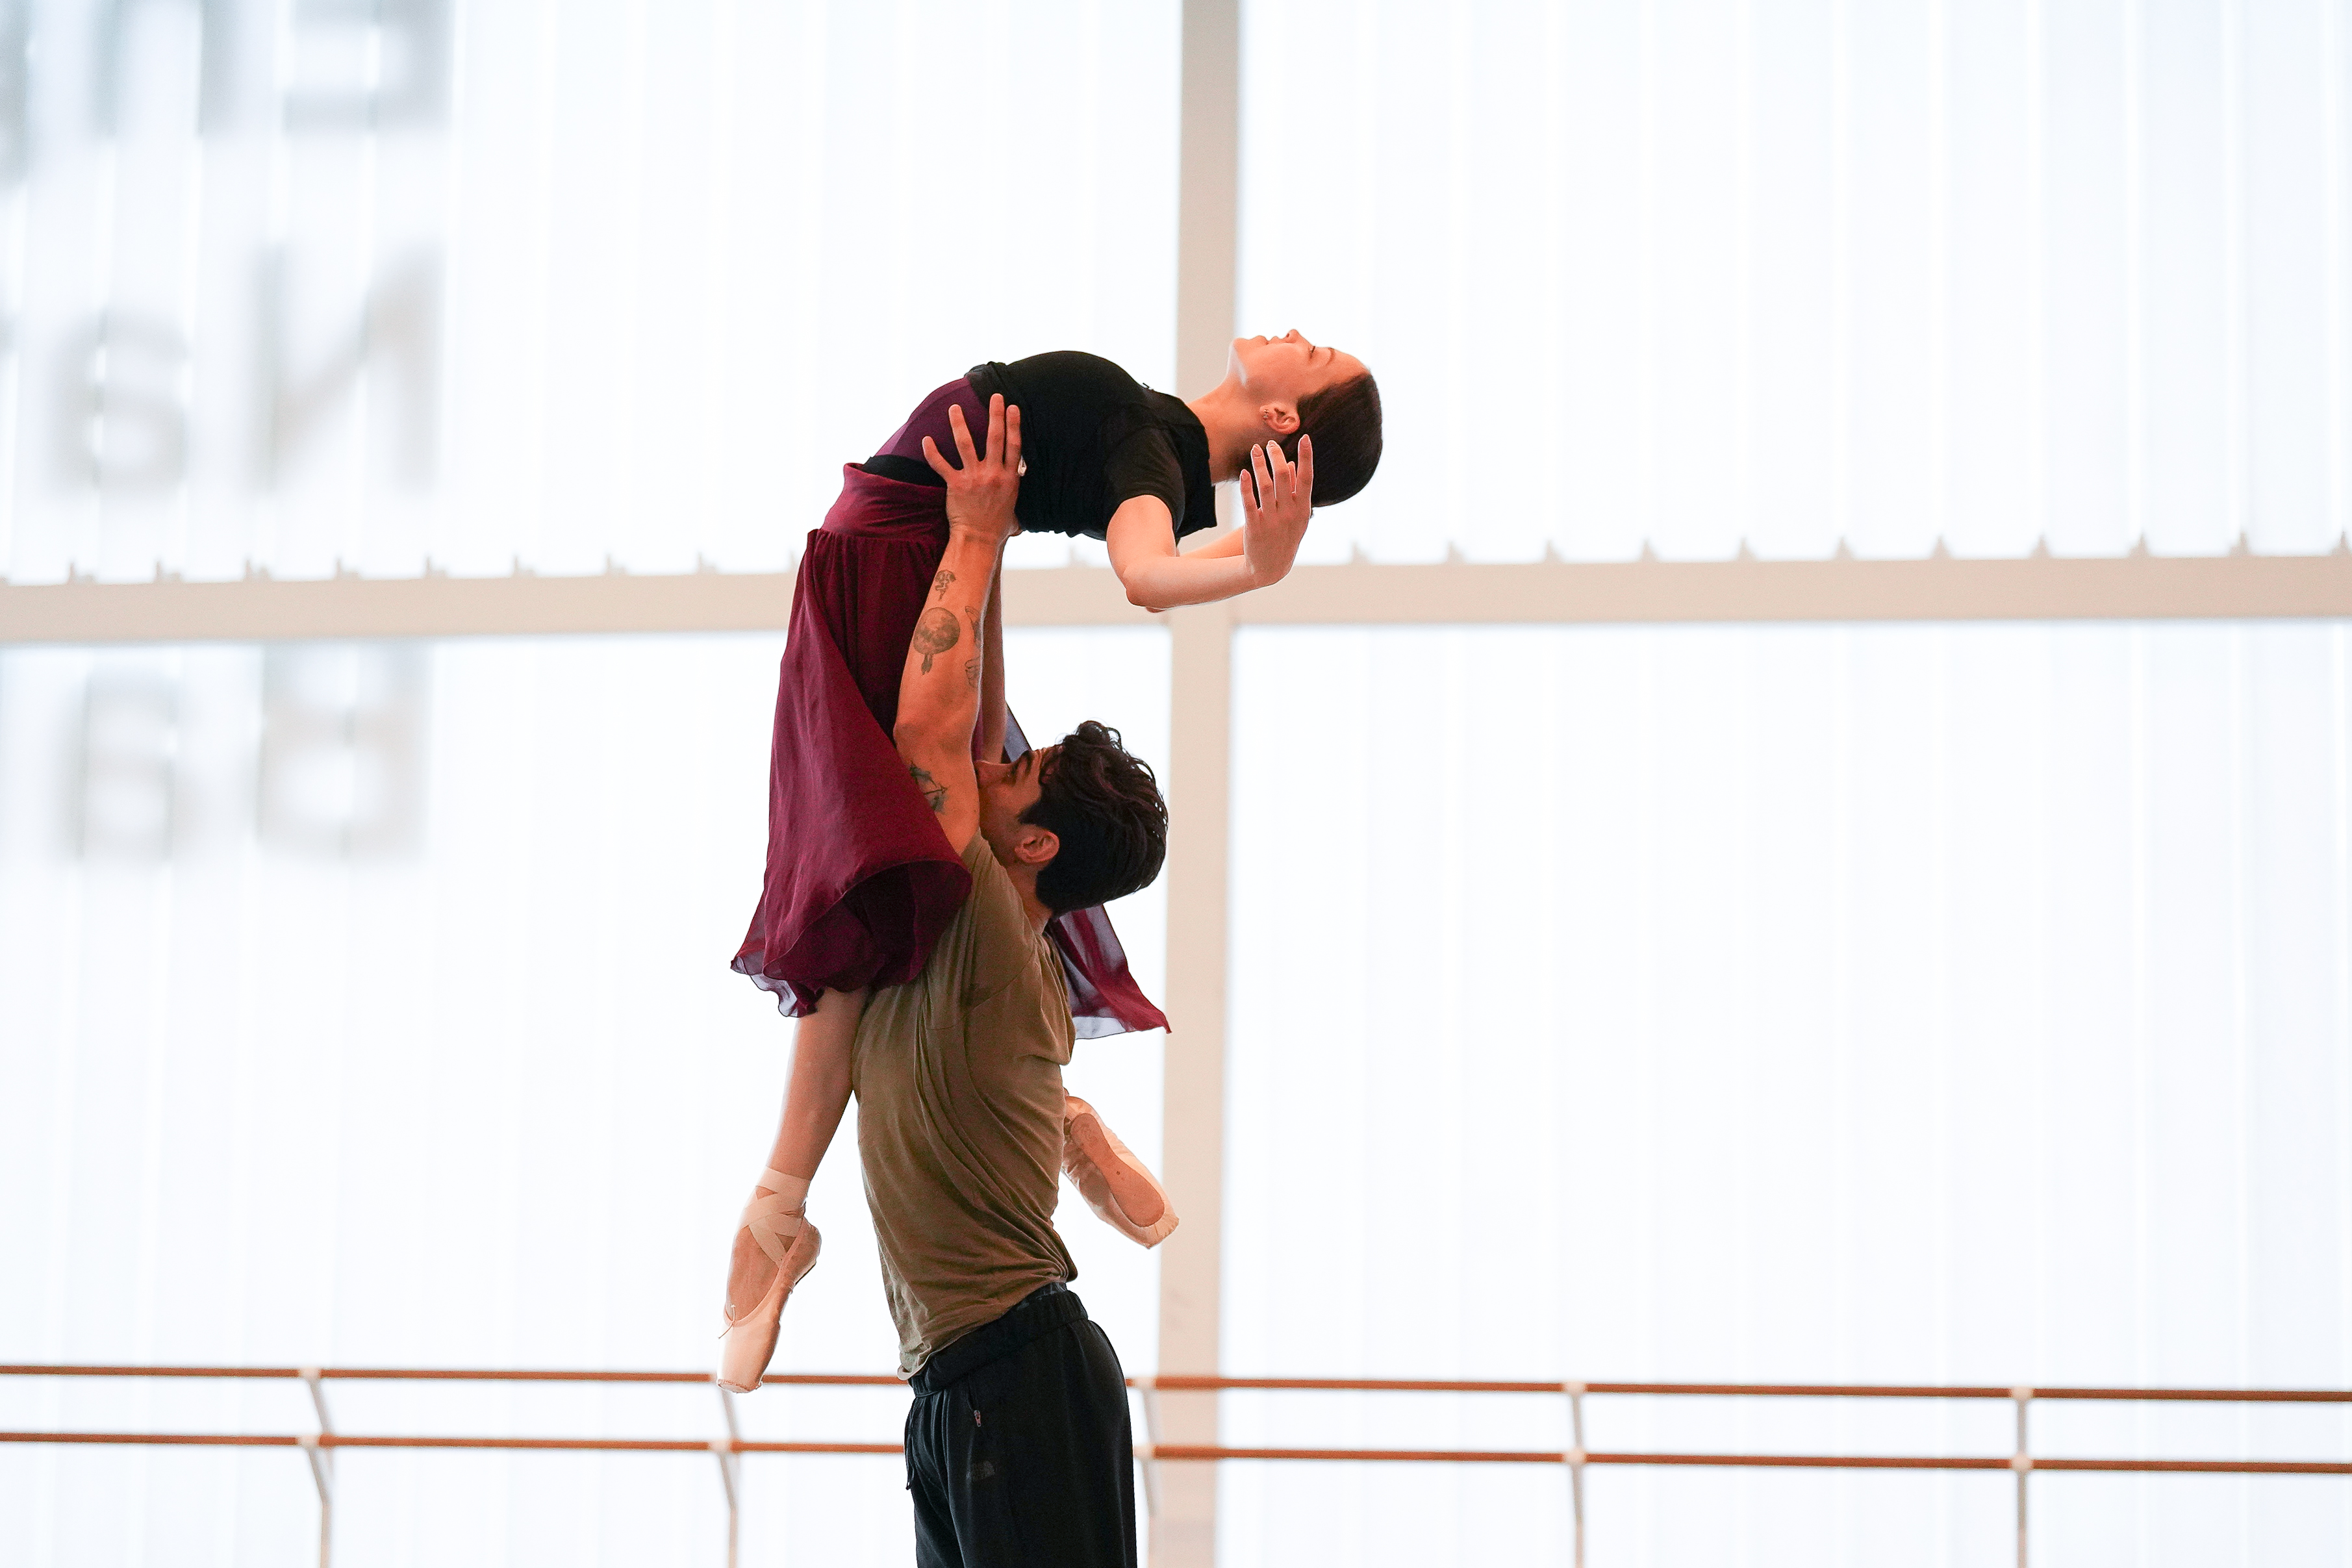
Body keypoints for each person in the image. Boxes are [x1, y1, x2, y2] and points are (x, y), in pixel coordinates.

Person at [722, 336, 1384, 1387]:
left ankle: (778, 1210)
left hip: (896, 552)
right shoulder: (1157, 442)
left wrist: (1261, 565)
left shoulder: (1150, 454)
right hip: (913, 553)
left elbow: (1144, 577)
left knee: (855, 898)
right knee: (893, 869)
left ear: (1281, 422)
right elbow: (1152, 562)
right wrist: (989, 556)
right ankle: (1043, 1115)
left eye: (1314, 356)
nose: (1296, 336)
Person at [857, 419, 1158, 1563]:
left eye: (1017, 775)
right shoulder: (1001, 916)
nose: (998, 757)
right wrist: (990, 547)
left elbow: (933, 726)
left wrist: (978, 530)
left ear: (1031, 846)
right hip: (962, 1381)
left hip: (1012, 1374)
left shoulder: (985, 923)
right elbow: (974, 719)